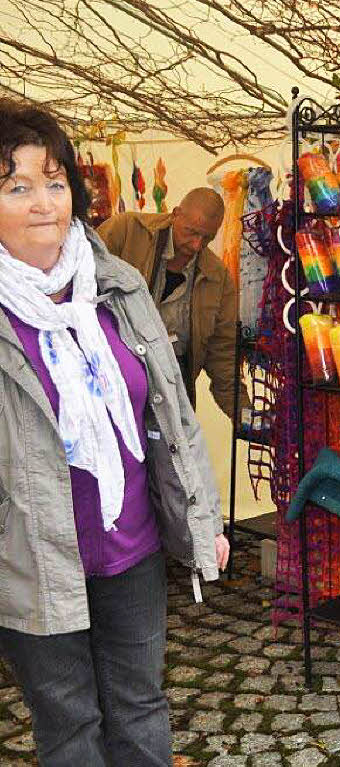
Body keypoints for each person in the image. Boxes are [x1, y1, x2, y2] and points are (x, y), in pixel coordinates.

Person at [0, 99, 229, 766]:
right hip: (33, 561)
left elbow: (171, 413)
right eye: (16, 186)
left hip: (131, 547)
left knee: (141, 706)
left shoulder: (115, 285)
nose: (42, 201)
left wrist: (200, 511)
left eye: (53, 180)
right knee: (69, 727)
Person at [97, 186, 252, 420]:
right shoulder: (126, 231)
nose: (196, 245)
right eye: (191, 232)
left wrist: (246, 416)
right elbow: (75, 284)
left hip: (171, 393)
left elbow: (223, 355)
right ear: (176, 214)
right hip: (109, 378)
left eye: (208, 237)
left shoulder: (217, 278)